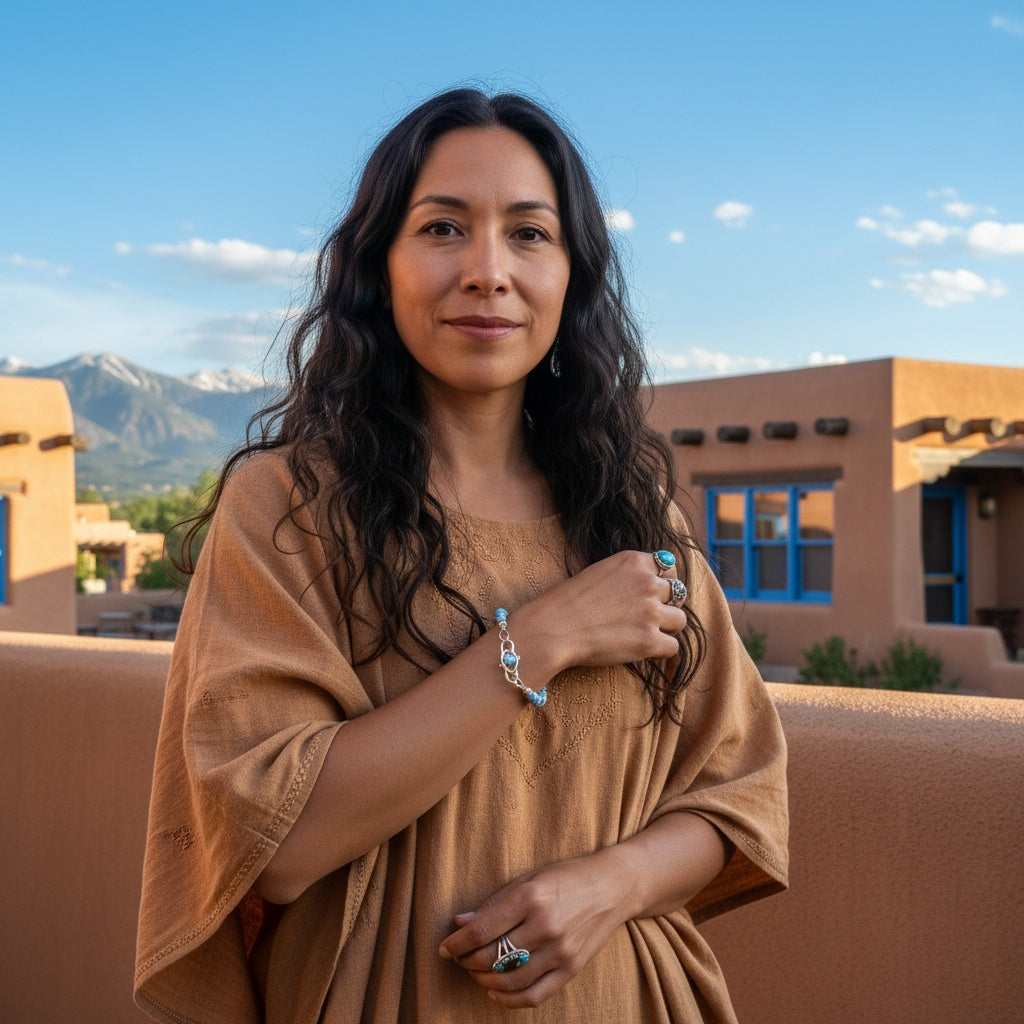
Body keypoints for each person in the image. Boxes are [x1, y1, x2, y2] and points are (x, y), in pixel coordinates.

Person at [134, 87, 788, 1024]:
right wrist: (539, 642)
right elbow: (275, 843)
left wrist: (613, 883)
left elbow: (742, 799)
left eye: (529, 234)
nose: (488, 271)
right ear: (379, 267)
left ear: (573, 274)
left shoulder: (636, 521)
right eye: (443, 228)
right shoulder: (289, 508)